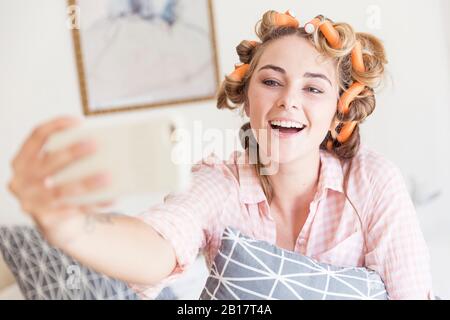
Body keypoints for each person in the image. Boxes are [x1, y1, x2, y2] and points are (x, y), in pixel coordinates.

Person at [8, 10, 433, 299]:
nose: (288, 100)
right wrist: (69, 227)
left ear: (338, 109)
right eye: (271, 81)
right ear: (247, 100)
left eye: (313, 88)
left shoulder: (373, 181)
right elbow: (159, 245)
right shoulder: (220, 180)